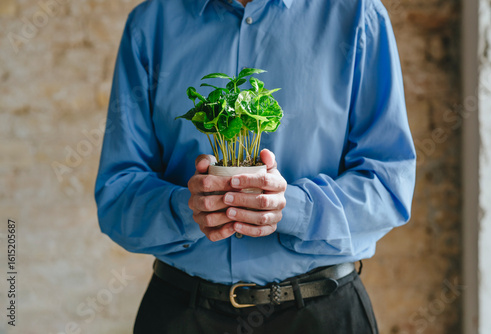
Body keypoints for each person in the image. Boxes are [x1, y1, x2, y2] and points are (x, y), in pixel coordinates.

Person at [95, 0, 416, 333]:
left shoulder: (358, 14)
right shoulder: (151, 24)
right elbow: (117, 195)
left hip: (321, 312)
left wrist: (293, 207)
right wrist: (187, 208)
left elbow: (389, 186)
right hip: (183, 313)